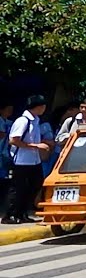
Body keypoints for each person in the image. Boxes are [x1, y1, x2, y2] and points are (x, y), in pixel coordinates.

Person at [4, 95, 51, 224]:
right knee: (18, 188)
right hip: (22, 161)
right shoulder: (23, 121)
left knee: (34, 185)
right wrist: (36, 146)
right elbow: (13, 140)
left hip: (34, 161)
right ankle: (11, 214)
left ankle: (22, 212)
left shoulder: (35, 121)